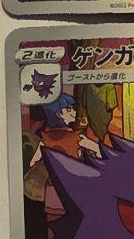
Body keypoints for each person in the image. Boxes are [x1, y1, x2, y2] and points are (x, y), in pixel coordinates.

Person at [24, 93, 100, 230]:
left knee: (54, 226)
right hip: (73, 188)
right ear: (58, 114)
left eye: (73, 108)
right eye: (69, 109)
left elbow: (32, 163)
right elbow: (99, 152)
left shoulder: (45, 139)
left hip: (53, 190)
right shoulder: (77, 137)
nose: (74, 112)